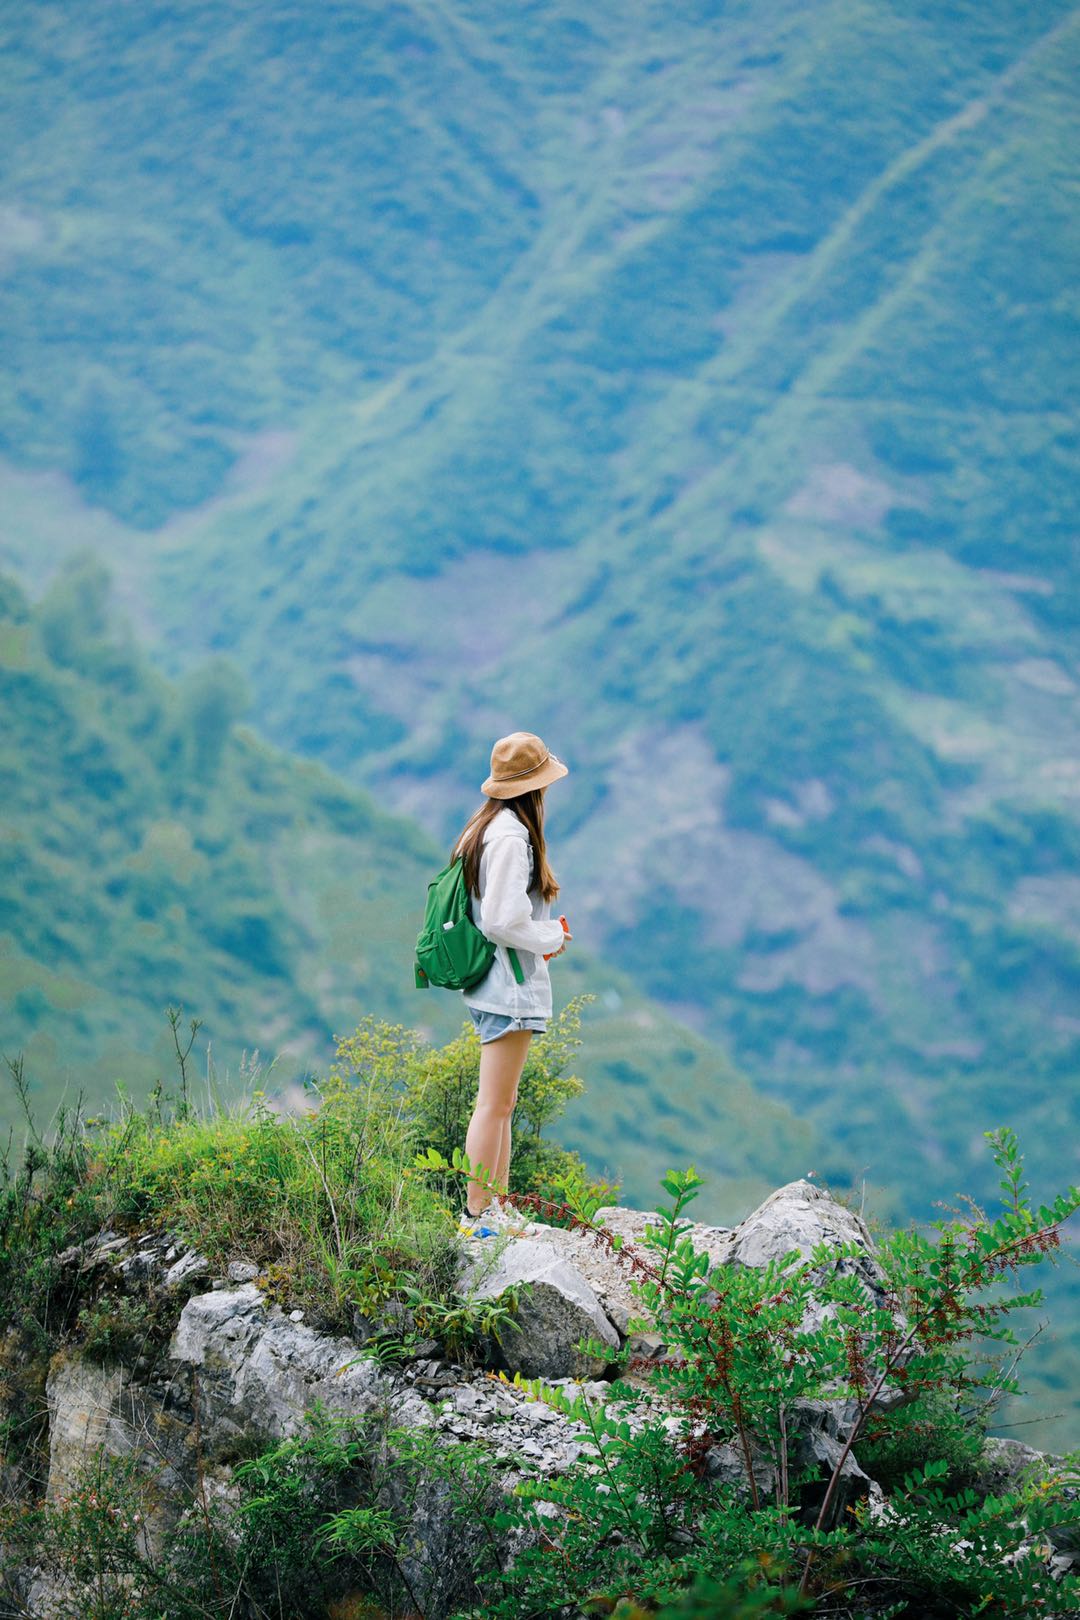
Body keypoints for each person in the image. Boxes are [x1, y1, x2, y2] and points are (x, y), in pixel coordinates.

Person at [450, 731, 572, 1235]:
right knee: (493, 1104)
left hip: (496, 983)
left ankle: (496, 1209)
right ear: (534, 789)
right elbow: (501, 920)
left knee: (502, 1103)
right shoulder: (510, 837)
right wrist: (548, 934)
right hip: (509, 986)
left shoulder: (488, 829)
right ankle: (478, 1215)